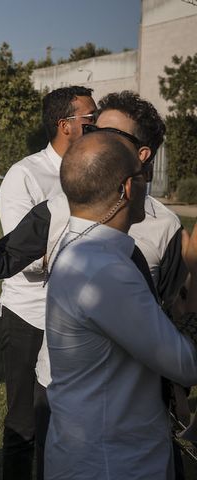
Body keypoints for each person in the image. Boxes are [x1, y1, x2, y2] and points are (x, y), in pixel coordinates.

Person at [0, 90, 187, 478]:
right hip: (62, 389)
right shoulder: (59, 208)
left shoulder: (167, 226)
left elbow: (169, 314)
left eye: (111, 137)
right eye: (94, 131)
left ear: (142, 155)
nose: (92, 143)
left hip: (133, 413)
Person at [45, 130, 197, 479]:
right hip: (115, 462)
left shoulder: (84, 245)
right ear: (129, 188)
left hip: (93, 452)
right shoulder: (104, 270)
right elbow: (186, 364)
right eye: (144, 177)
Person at [0, 86, 96, 479]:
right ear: (65, 125)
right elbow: (23, 260)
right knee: (25, 422)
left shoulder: (98, 167)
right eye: (90, 118)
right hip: (30, 315)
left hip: (83, 316)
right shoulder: (25, 174)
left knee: (73, 419)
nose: (97, 122)